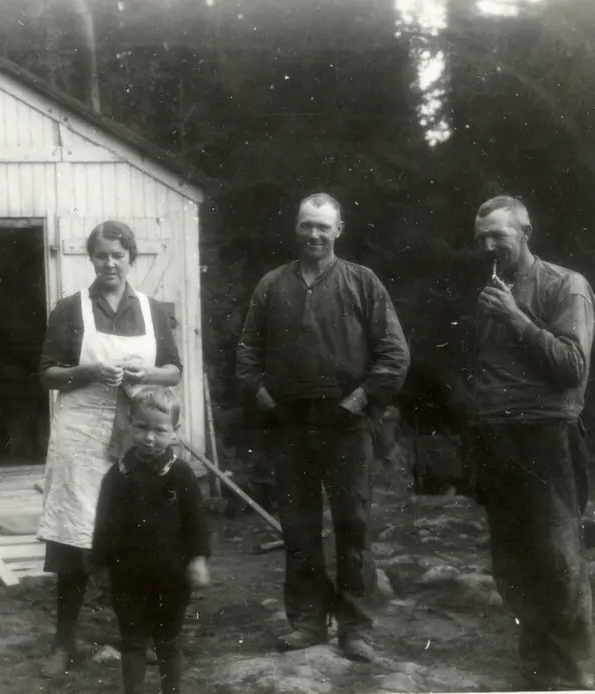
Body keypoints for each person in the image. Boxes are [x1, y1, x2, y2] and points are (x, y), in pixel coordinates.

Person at [236, 193, 409, 661]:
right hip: (290, 424)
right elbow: (247, 351)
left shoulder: (362, 282)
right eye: (306, 225)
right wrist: (264, 396)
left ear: (339, 229)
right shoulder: (272, 285)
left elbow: (394, 354)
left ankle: (356, 627)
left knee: (352, 523)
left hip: (345, 423)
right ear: (296, 227)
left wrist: (358, 400)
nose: (314, 234)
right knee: (298, 526)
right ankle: (308, 621)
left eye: (323, 227)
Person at [35, 220, 183, 677]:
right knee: (74, 538)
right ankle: (63, 642)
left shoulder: (152, 309)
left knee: (142, 532)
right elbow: (48, 374)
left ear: (131, 258)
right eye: (101, 255)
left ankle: (144, 635)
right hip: (81, 432)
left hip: (137, 433)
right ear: (92, 259)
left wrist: (147, 376)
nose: (110, 263)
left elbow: (174, 369)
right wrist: (89, 373)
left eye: (118, 255)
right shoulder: (70, 308)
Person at [467, 195, 595, 690]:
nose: (488, 245)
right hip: (498, 438)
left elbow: (572, 367)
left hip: (547, 436)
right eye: (482, 237)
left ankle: (572, 675)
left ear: (525, 231)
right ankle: (537, 667)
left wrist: (517, 318)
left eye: (498, 235)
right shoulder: (494, 289)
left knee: (559, 559)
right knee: (512, 562)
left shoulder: (567, 286)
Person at [91, 387, 210, 694]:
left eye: (159, 430)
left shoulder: (181, 474)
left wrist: (198, 559)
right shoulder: (116, 476)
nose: (148, 437)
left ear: (174, 432)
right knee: (131, 641)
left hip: (171, 576)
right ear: (129, 424)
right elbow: (102, 524)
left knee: (167, 640)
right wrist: (100, 564)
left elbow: (197, 523)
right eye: (142, 427)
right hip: (127, 576)